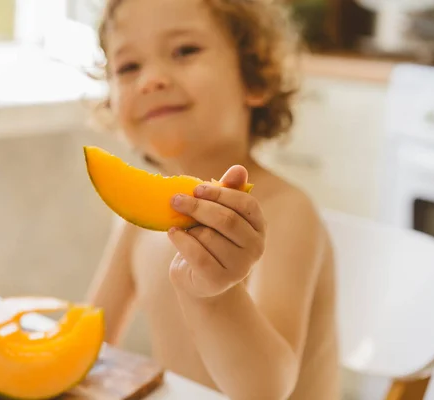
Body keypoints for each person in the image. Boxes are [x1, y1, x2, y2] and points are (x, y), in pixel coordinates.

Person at [86, 0, 339, 398]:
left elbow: (267, 388)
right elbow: (90, 344)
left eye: (185, 51)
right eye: (128, 67)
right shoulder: (136, 218)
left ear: (254, 79)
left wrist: (214, 293)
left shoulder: (287, 212)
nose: (150, 79)